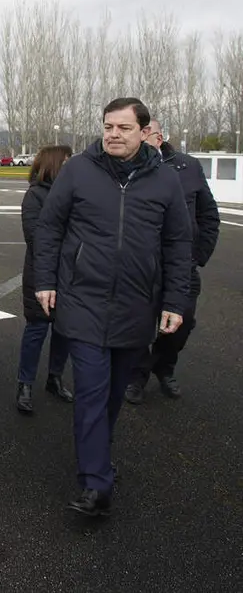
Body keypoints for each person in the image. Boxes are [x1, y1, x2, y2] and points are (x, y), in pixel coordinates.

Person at [33, 97, 191, 517]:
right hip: (83, 301)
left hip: (136, 308)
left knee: (112, 396)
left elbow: (178, 243)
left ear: (144, 131)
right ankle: (96, 485)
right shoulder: (78, 171)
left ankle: (97, 458)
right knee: (90, 393)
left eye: (123, 128)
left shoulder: (165, 181)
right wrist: (45, 280)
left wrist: (174, 299)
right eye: (108, 126)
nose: (113, 134)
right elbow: (50, 227)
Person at [126, 119, 220, 403]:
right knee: (139, 323)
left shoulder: (187, 167)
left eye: (146, 136)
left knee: (183, 322)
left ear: (158, 137)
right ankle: (137, 376)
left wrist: (198, 255)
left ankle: (164, 366)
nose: (140, 143)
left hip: (182, 265)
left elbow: (209, 214)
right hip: (143, 266)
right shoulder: (129, 168)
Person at [15, 145, 75, 414]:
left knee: (64, 331)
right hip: (40, 274)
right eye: (66, 162)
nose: (70, 166)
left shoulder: (73, 194)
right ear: (53, 165)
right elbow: (36, 238)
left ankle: (55, 378)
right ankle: (25, 384)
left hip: (70, 275)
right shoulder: (35, 196)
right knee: (37, 330)